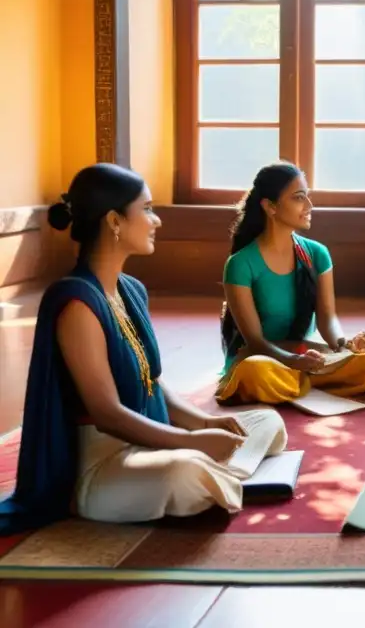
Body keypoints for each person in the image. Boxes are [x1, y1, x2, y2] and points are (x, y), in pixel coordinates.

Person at [0, 164, 286, 535]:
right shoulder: (75, 302)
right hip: (106, 462)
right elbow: (107, 415)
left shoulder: (131, 289)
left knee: (267, 423)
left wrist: (206, 424)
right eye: (147, 209)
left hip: (154, 440)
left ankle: (218, 466)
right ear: (115, 220)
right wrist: (190, 441)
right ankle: (213, 467)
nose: (157, 221)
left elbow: (154, 382)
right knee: (185, 474)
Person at [216, 162, 365, 405]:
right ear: (270, 206)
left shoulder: (317, 254)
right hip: (265, 359)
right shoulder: (240, 264)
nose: (309, 206)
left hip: (307, 356)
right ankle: (308, 381)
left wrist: (345, 345)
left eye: (308, 196)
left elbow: (327, 319)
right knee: (254, 373)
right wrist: (292, 361)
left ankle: (303, 382)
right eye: (299, 198)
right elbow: (256, 342)